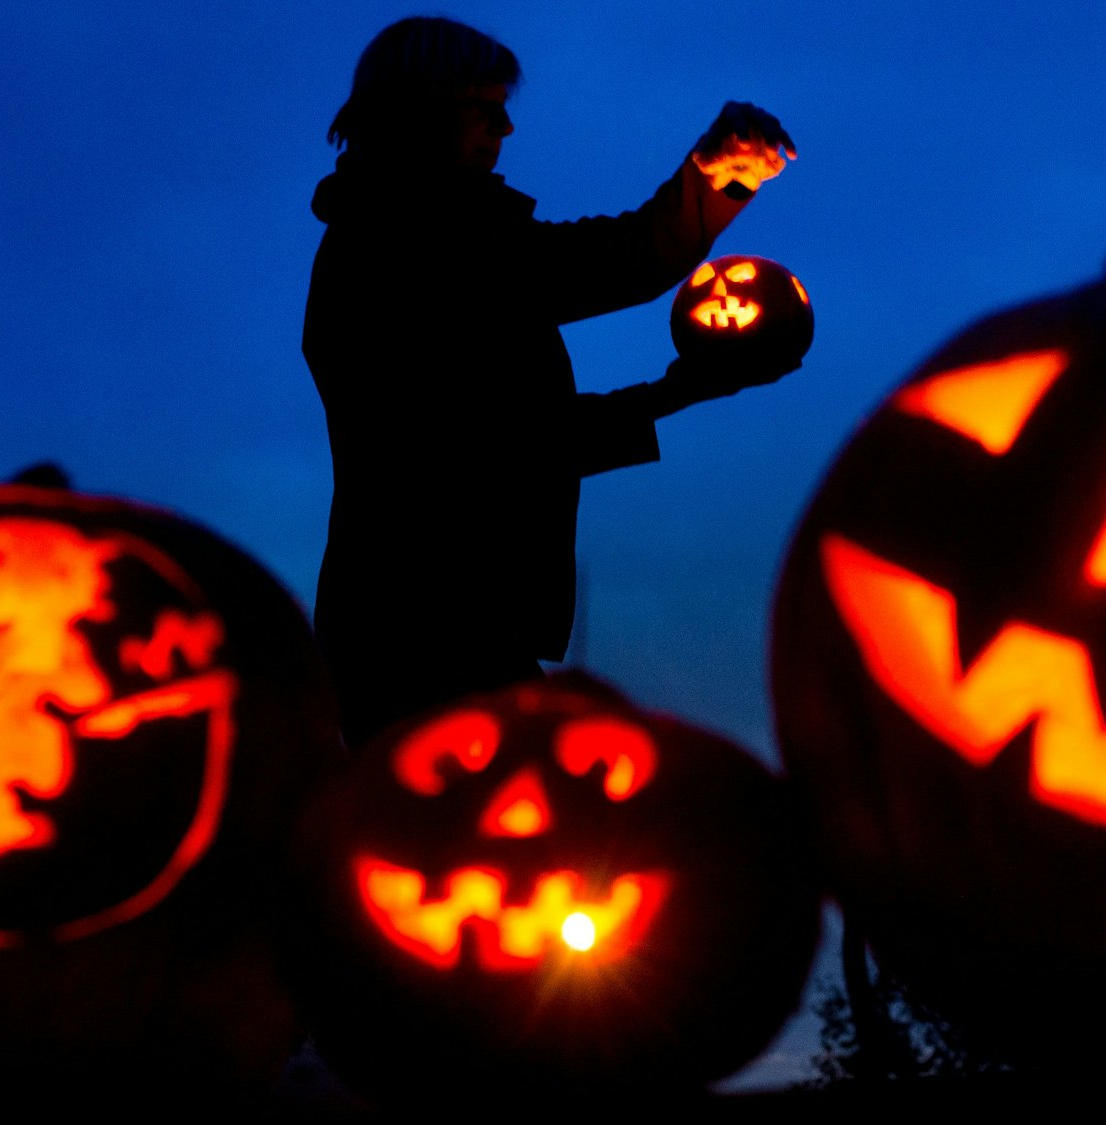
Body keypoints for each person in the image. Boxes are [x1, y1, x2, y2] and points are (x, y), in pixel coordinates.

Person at [304, 16, 799, 744]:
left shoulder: (435, 235)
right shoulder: (411, 250)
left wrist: (714, 176)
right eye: (482, 106)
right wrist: (679, 389)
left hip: (435, 614)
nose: (505, 126)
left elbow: (611, 273)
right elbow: (492, 445)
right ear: (418, 110)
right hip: (425, 617)